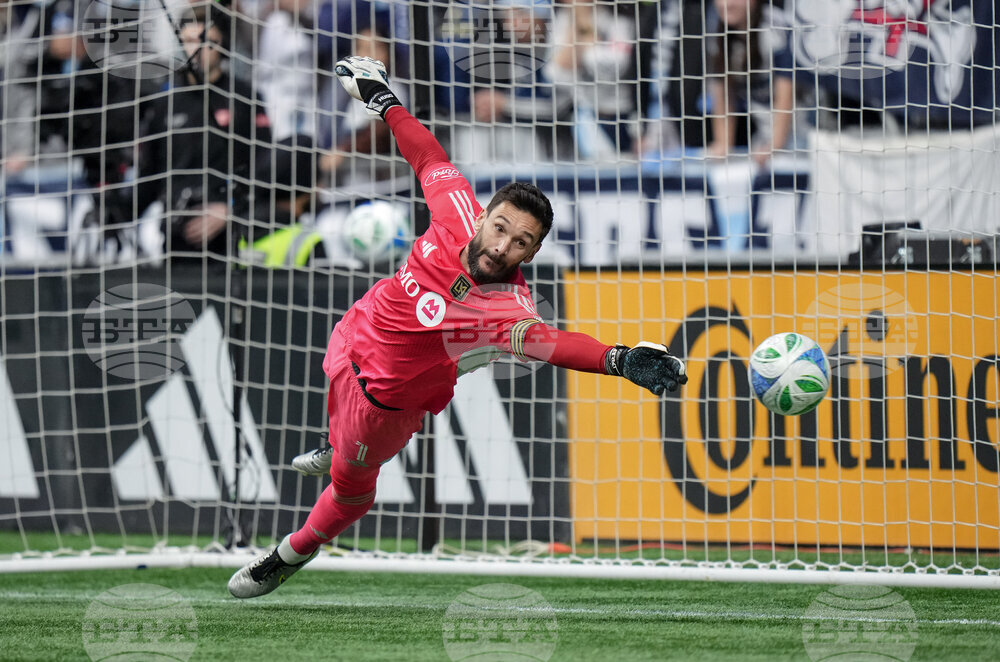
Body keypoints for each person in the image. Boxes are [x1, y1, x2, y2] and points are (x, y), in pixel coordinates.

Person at [227, 56, 688, 599]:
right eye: (499, 228)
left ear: (533, 251)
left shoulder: (507, 307)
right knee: (427, 364)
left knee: (351, 495)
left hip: (381, 406)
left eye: (520, 243)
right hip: (351, 331)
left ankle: (289, 554)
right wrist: (385, 100)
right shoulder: (455, 211)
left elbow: (553, 343)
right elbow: (427, 155)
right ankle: (338, 442)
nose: (501, 246)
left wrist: (618, 358)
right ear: (483, 216)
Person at [135, 4, 272, 258]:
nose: (196, 51)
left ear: (223, 45)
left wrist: (230, 208)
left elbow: (264, 166)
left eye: (206, 42)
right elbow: (149, 176)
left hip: (231, 239)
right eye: (188, 41)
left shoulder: (245, 98)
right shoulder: (164, 103)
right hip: (175, 239)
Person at [703, 0, 796, 168]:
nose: (726, 4)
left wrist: (775, 145)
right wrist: (723, 144)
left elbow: (786, 94)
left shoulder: (775, 28)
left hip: (799, 140)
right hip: (764, 141)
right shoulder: (717, 32)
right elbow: (723, 95)